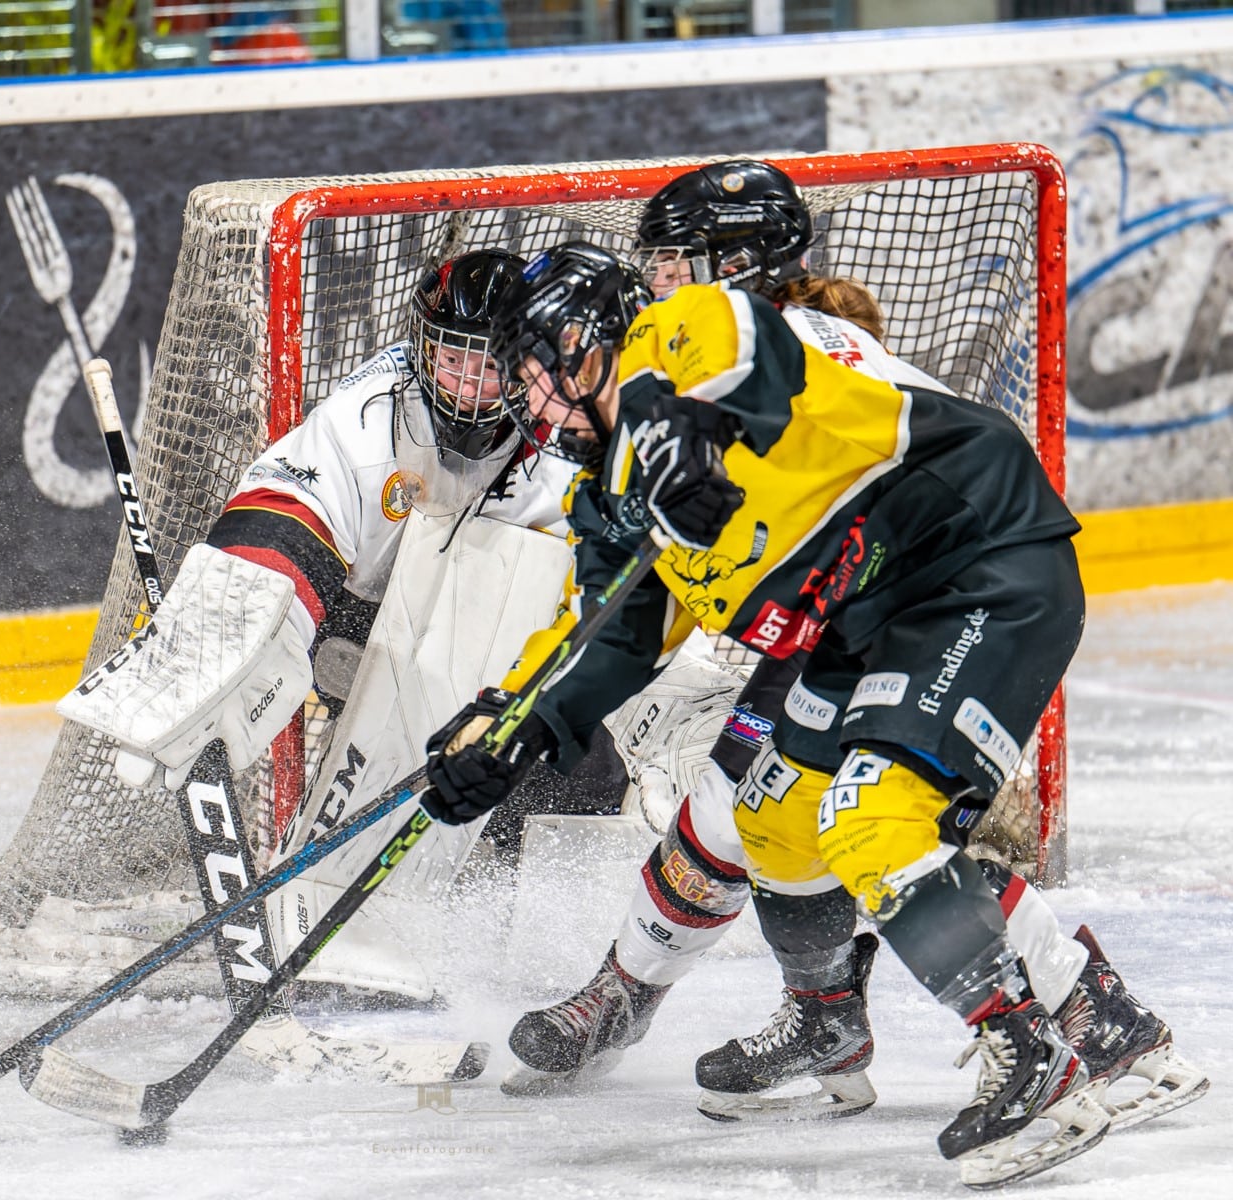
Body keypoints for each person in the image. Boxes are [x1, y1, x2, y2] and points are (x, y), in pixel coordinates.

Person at [492, 161, 1205, 1140]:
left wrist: (659, 436)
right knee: (767, 812)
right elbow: (631, 604)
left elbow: (719, 378)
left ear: (730, 264)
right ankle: (823, 1013)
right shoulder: (686, 375)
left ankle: (1079, 1012)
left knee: (862, 823)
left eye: (672, 262)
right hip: (855, 616)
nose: (657, 280)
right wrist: (529, 714)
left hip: (949, 587)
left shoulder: (751, 338)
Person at [60, 247, 743, 1012]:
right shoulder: (370, 415)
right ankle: (352, 928)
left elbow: (643, 586)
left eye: (490, 367)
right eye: (450, 359)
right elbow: (285, 524)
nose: (466, 386)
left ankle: (527, 959)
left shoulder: (575, 424)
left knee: (566, 767)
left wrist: (679, 706)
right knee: (456, 695)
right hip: (359, 630)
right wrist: (222, 645)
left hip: (518, 643)